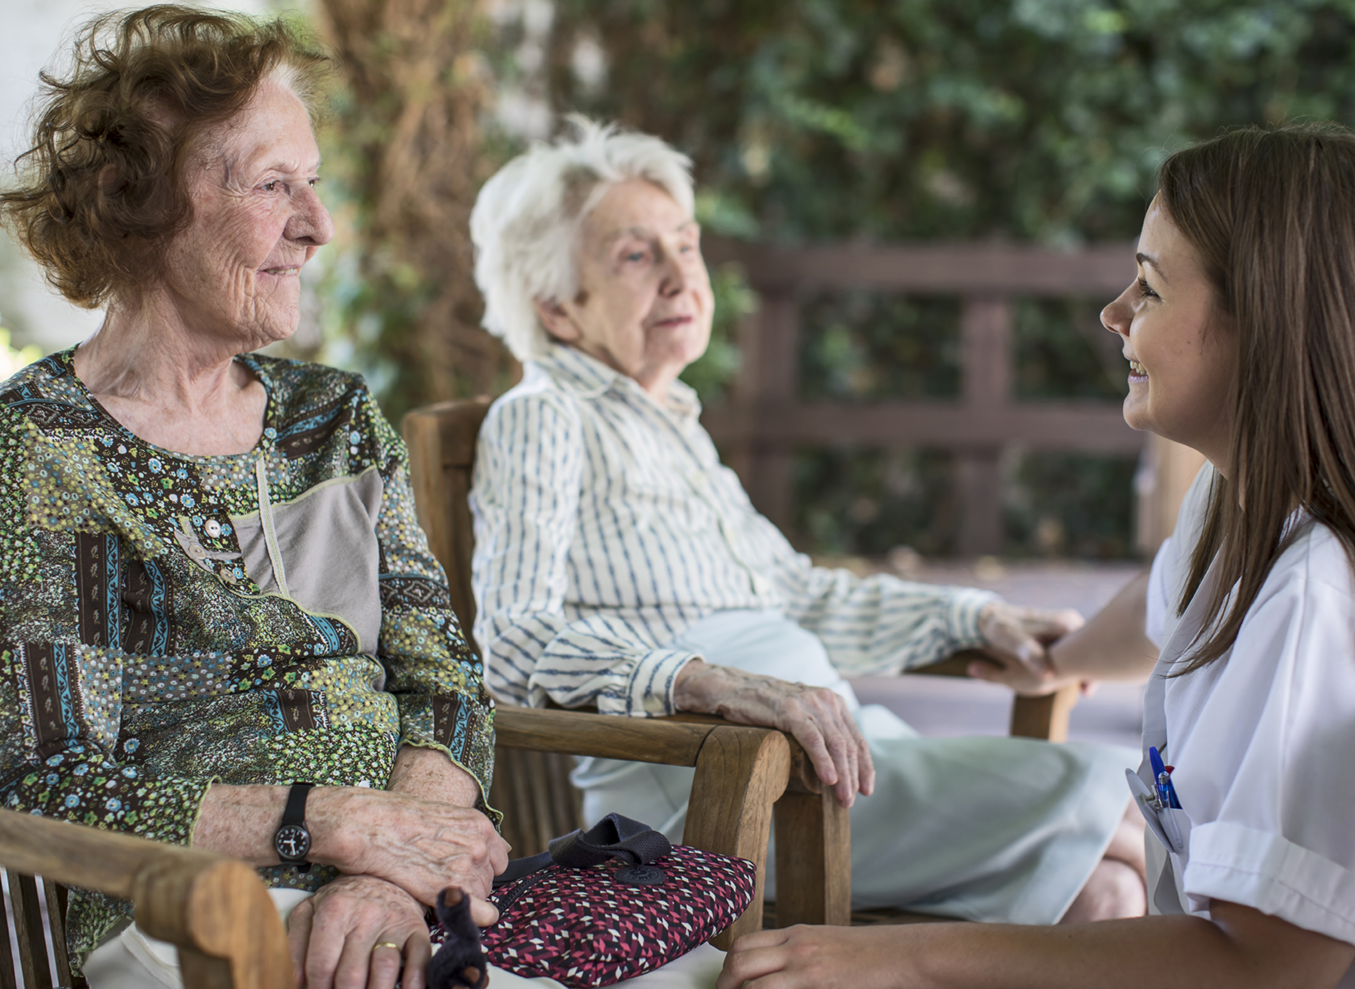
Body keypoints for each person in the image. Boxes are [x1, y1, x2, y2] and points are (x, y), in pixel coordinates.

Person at [0, 7, 717, 989]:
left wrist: (401, 865)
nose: (317, 225)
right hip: (200, 904)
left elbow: (442, 679)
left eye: (312, 185)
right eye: (275, 185)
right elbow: (53, 783)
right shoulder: (42, 437)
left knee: (716, 969)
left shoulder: (334, 415)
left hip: (413, 884)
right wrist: (338, 825)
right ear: (138, 202)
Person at [717, 123, 1355, 989]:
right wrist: (1056, 660)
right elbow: (1162, 603)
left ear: (1267, 327)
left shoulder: (1330, 600)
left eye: (1152, 287)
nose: (1114, 312)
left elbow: (1263, 969)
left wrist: (905, 958)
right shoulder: (1243, 499)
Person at [466, 117, 1146, 927]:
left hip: (827, 766)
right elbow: (511, 638)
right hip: (715, 795)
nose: (685, 277)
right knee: (1115, 805)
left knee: (1107, 893)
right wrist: (710, 683)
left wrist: (976, 616)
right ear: (558, 309)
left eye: (687, 245)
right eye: (637, 255)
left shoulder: (672, 425)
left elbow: (800, 596)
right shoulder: (544, 414)